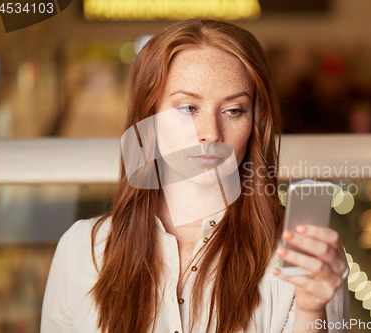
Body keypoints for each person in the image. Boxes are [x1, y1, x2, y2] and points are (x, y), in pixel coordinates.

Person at [41, 19, 349, 333]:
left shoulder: (307, 259)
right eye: (188, 108)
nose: (211, 134)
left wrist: (312, 311)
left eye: (234, 110)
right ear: (149, 117)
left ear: (255, 122)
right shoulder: (82, 250)